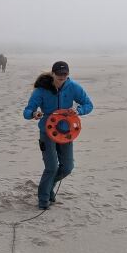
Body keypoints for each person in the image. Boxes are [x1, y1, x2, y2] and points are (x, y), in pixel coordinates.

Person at [23, 61, 93, 209]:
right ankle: (43, 200)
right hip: (47, 133)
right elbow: (27, 112)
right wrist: (34, 114)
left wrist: (78, 111)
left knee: (67, 167)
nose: (62, 77)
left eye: (65, 74)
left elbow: (89, 105)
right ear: (53, 73)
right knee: (52, 167)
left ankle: (48, 189)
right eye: (59, 74)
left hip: (66, 134)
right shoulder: (41, 90)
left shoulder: (73, 87)